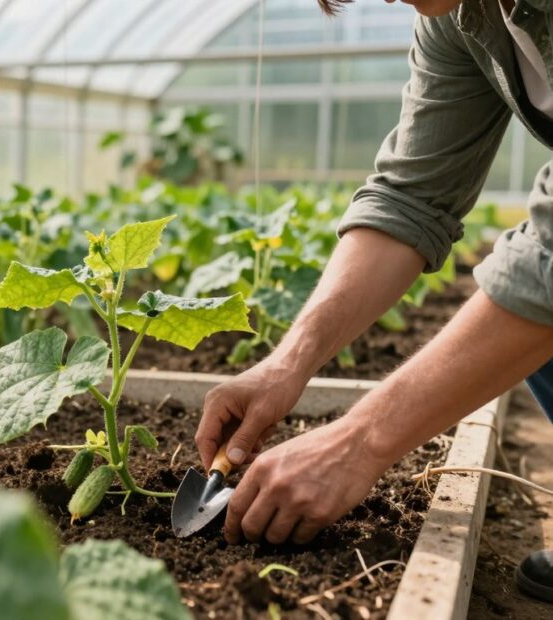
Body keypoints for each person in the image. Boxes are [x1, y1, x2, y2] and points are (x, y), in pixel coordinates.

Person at [194, 0, 553, 602]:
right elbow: (411, 197)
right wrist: (287, 364)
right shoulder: (458, 16)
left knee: (526, 296)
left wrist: (359, 442)